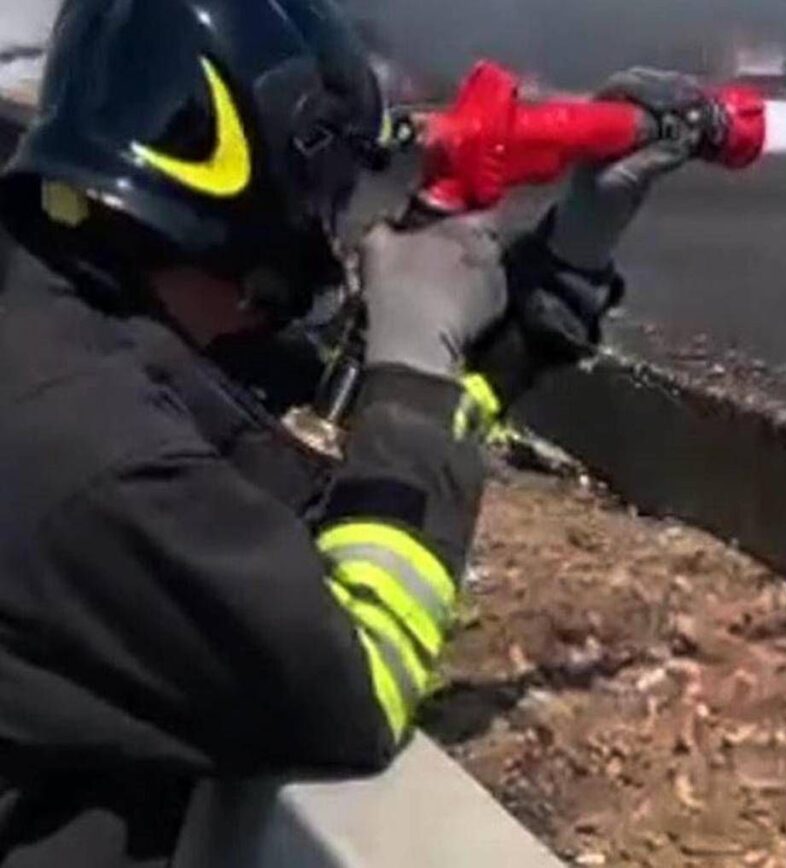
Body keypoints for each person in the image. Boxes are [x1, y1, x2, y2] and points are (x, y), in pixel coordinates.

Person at [0, 0, 697, 865]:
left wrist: (567, 264)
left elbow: (321, 485)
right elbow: (355, 683)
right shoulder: (97, 467)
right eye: (328, 205)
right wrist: (413, 363)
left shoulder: (59, 312)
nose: (341, 238)